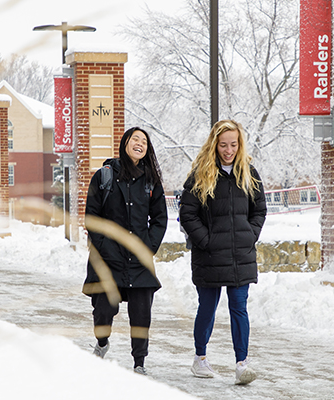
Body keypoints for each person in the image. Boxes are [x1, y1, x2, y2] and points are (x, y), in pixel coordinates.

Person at [179, 119, 267, 385]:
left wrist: (250, 235)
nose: (228, 150)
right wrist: (206, 240)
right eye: (223, 145)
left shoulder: (249, 174)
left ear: (239, 144)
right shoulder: (200, 174)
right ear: (214, 144)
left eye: (233, 144)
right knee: (207, 307)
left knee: (239, 307)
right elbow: (187, 213)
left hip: (241, 255)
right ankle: (200, 358)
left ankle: (242, 363)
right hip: (209, 256)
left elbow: (259, 210)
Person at [82, 127, 168, 375]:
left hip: (139, 261)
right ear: (125, 143)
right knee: (104, 310)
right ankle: (101, 343)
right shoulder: (104, 176)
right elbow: (92, 217)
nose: (139, 144)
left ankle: (139, 362)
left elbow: (160, 218)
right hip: (108, 258)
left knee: (141, 314)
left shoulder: (151, 180)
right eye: (135, 139)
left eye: (144, 141)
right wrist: (104, 247)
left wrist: (147, 247)